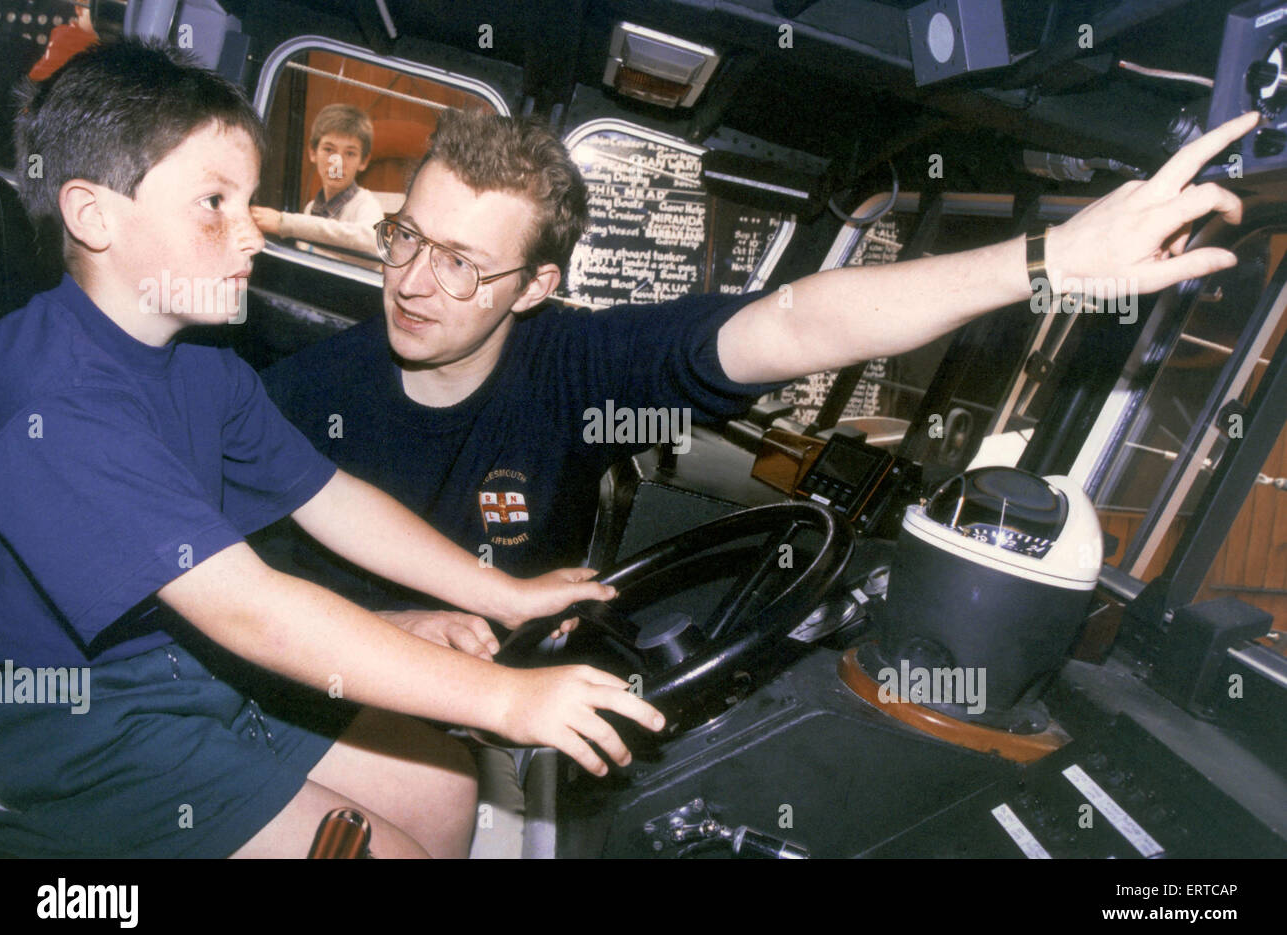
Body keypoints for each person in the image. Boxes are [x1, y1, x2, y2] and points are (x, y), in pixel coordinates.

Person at [0, 40, 663, 860]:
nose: (251, 238)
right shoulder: (53, 402)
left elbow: (330, 495)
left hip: (191, 677)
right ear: (93, 214)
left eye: (249, 203)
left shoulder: (199, 361)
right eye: (213, 204)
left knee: (447, 787)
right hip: (78, 739)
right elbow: (253, 611)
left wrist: (505, 595)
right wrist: (509, 700)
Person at [259, 106, 1258, 652]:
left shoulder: (570, 363)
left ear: (536, 288)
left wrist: (1043, 264)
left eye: (465, 263)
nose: (415, 283)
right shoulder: (302, 396)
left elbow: (789, 320)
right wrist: (397, 629)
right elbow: (229, 598)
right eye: (407, 239)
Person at [250, 103, 384, 266]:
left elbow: (373, 244)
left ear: (363, 161)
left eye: (350, 153)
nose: (338, 163)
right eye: (328, 150)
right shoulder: (311, 208)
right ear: (313, 153)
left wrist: (284, 223)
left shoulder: (366, 204)